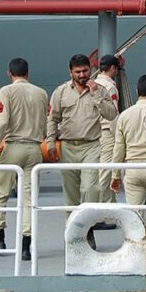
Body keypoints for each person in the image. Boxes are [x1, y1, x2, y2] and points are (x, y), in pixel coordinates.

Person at [0, 57, 48, 261]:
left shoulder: (6, 91)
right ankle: (26, 247)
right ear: (28, 73)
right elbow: (45, 124)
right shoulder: (41, 93)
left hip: (13, 148)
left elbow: (2, 123)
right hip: (35, 149)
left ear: (9, 74)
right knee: (29, 198)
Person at [45, 53, 117, 227]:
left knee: (91, 188)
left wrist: (96, 95)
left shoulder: (100, 89)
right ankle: (73, 232)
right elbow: (52, 119)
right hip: (68, 146)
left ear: (91, 70)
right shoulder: (61, 92)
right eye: (77, 72)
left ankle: (88, 228)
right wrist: (50, 143)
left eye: (85, 71)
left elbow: (111, 114)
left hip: (91, 146)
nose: (82, 75)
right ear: (70, 72)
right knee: (71, 194)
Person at [110, 74, 146, 267]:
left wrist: (115, 175)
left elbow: (118, 149)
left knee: (135, 214)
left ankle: (136, 254)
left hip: (133, 169)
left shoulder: (125, 115)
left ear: (137, 91)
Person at [94, 54, 121, 206]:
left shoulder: (93, 83)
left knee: (98, 168)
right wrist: (118, 135)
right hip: (107, 132)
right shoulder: (109, 87)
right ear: (112, 68)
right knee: (106, 169)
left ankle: (108, 201)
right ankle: (103, 202)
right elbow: (113, 114)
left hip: (94, 132)